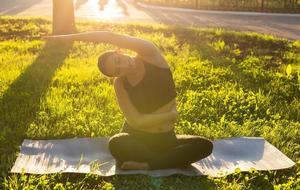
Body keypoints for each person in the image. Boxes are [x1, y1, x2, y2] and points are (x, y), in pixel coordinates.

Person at [46, 31, 213, 170]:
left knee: (205, 146)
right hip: (137, 138)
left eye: (118, 60)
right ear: (115, 76)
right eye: (118, 70)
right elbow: (137, 121)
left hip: (167, 138)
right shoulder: (120, 84)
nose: (124, 67)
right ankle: (162, 161)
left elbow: (111, 36)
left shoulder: (151, 55)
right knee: (116, 144)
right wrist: (170, 116)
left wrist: (70, 37)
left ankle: (149, 163)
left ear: (119, 51)